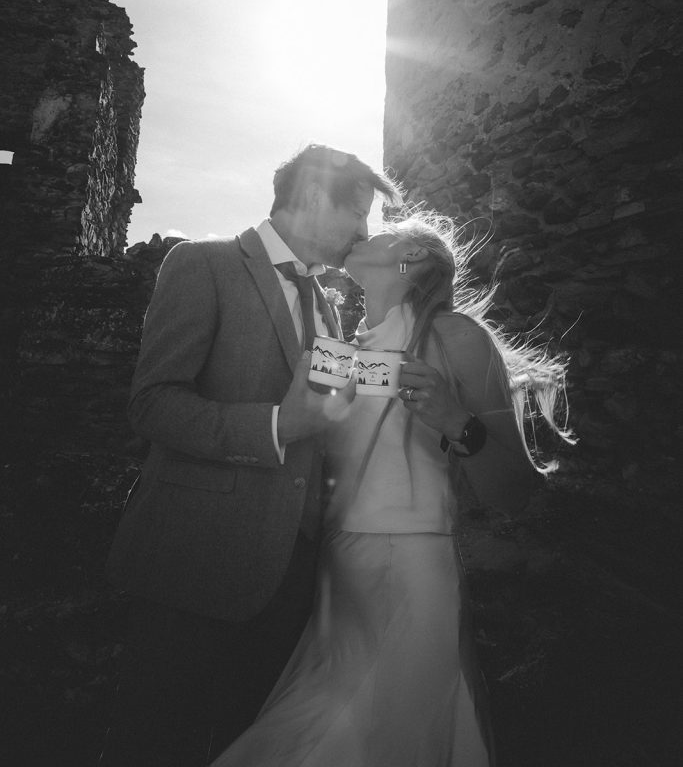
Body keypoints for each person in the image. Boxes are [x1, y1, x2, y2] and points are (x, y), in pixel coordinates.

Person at [209, 208, 573, 767]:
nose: (361, 231)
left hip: (413, 570)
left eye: (380, 231)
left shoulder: (457, 338)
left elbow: (516, 489)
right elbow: (301, 437)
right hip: (333, 578)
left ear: (414, 258)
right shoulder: (339, 344)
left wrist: (458, 424)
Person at [100, 143, 403, 767]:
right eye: (359, 215)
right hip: (192, 563)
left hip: (290, 579)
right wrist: (275, 426)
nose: (362, 234)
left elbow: (324, 423)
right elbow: (152, 405)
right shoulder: (203, 264)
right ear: (315, 197)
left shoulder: (328, 304)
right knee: (155, 744)